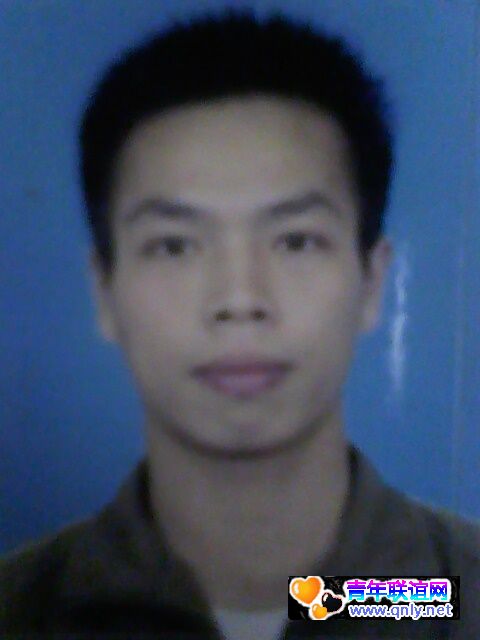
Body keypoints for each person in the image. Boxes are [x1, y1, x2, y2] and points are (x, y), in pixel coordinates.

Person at [1, 11, 478, 640]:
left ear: (371, 282)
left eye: (296, 240)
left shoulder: (452, 596)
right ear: (105, 292)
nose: (240, 299)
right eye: (174, 246)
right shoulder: (20, 611)